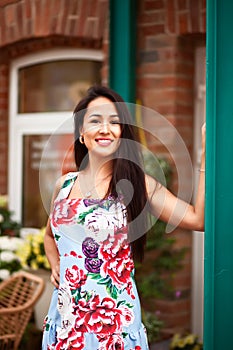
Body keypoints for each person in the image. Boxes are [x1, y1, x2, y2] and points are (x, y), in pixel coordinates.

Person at [42, 85, 205, 350]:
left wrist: (205, 157)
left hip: (113, 323)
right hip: (66, 319)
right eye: (95, 121)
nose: (105, 128)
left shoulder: (137, 183)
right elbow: (50, 235)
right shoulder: (64, 185)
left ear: (122, 134)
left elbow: (198, 220)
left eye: (114, 122)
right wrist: (54, 264)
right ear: (82, 134)